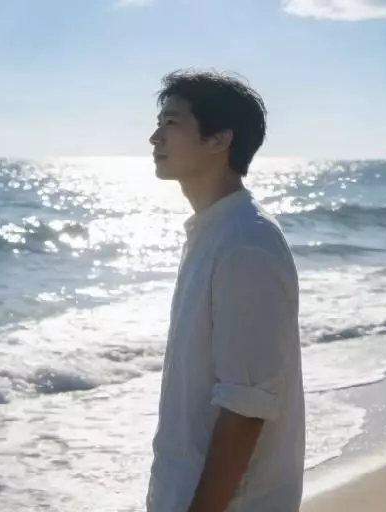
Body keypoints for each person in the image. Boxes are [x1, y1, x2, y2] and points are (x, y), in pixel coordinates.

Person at [147, 69, 305, 512]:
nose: (155, 137)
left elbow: (246, 407)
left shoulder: (245, 242)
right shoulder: (213, 231)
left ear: (219, 139)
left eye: (172, 123)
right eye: (159, 123)